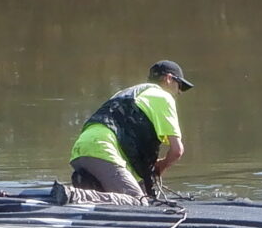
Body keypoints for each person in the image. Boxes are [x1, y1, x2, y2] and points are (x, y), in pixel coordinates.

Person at [69, 61, 192, 197]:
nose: (180, 91)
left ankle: (85, 192)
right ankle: (75, 196)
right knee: (137, 202)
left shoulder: (125, 93)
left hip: (80, 149)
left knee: (124, 195)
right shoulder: (163, 96)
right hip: (103, 151)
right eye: (179, 85)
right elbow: (177, 151)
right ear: (168, 79)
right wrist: (160, 166)